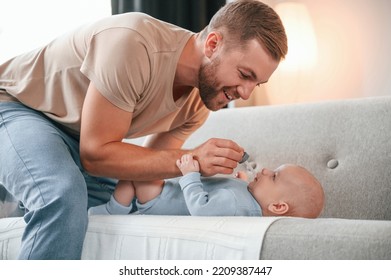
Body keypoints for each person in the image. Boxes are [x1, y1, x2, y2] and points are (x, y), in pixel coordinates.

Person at [0, 0, 287, 259]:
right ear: (213, 44)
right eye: (245, 75)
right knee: (62, 195)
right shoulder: (134, 44)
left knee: (123, 202)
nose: (247, 93)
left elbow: (146, 174)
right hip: (17, 108)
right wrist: (194, 160)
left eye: (256, 83)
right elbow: (95, 154)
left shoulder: (201, 101)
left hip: (76, 138)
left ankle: (14, 194)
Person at [89, 154, 325, 218]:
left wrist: (190, 175)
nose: (265, 170)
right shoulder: (249, 202)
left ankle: (114, 211)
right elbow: (227, 198)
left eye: (274, 176)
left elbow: (202, 209)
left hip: (162, 199)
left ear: (278, 206)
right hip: (167, 192)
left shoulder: (238, 205)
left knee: (136, 173)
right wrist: (239, 182)